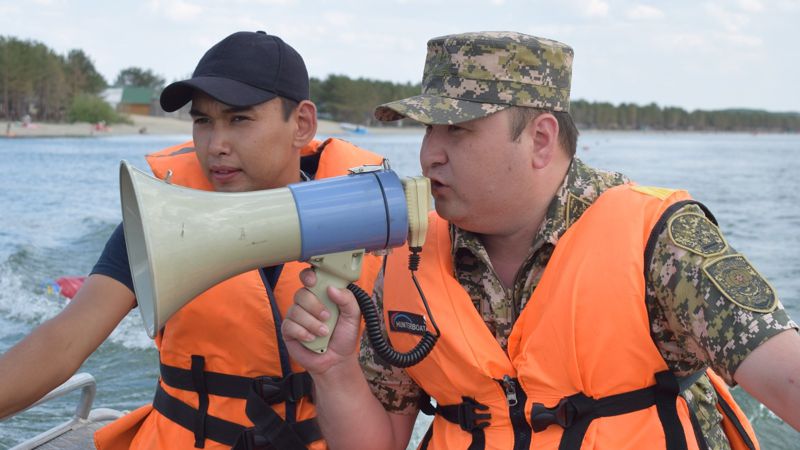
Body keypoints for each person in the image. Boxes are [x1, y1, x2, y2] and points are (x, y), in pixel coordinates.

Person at [282, 31, 800, 449]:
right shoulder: (409, 260)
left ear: (541, 139)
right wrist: (334, 370)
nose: (429, 155)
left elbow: (788, 378)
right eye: (426, 130)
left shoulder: (662, 242)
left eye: (457, 130)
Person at [0, 31, 384, 449]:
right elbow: (63, 342)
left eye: (239, 119)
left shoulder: (372, 223)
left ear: (302, 124)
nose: (215, 145)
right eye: (203, 121)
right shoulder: (158, 222)